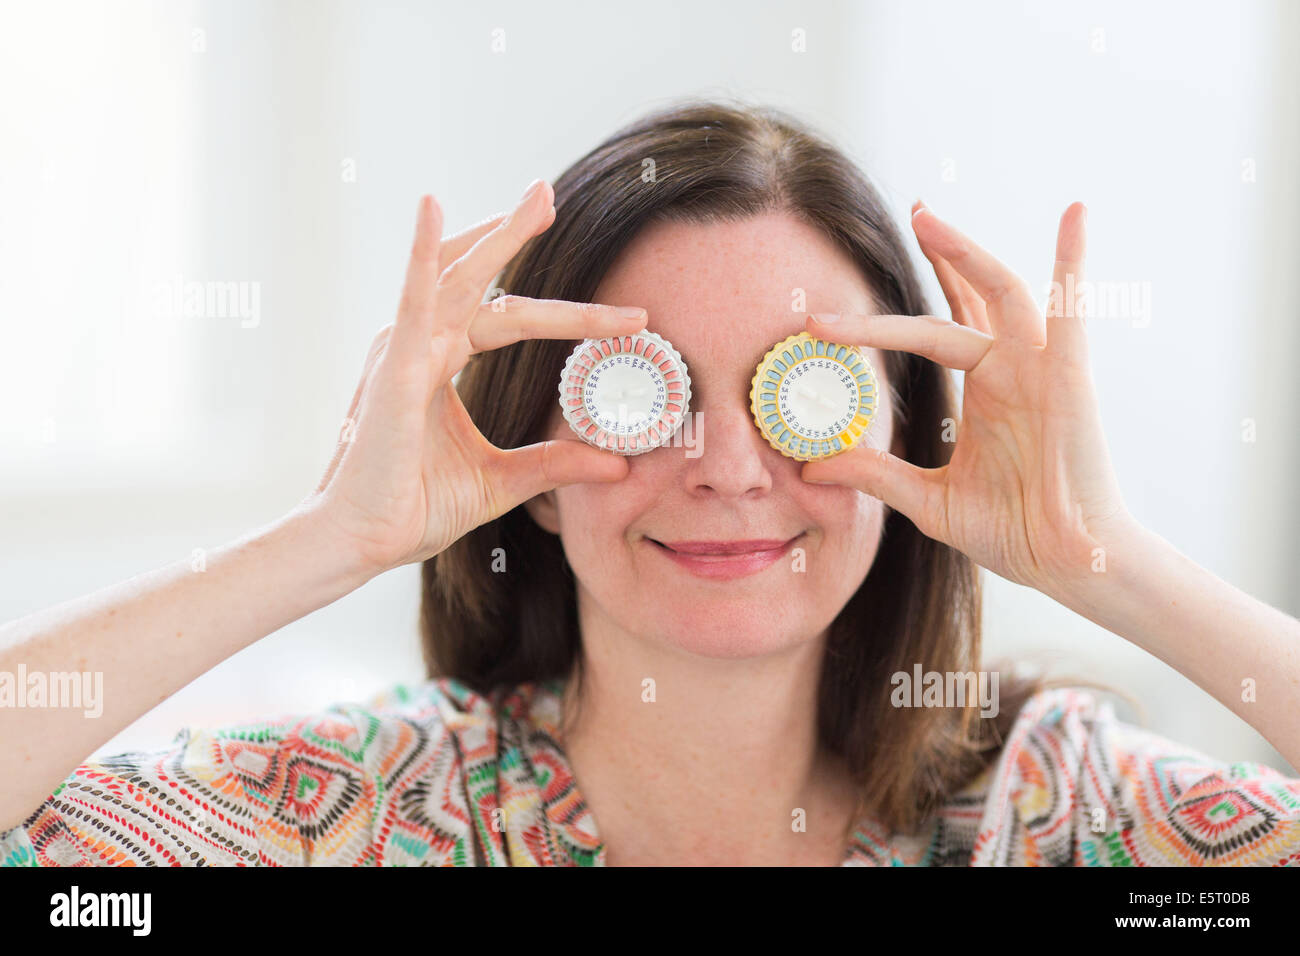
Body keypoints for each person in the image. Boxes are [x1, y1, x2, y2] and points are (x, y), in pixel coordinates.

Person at [2, 99, 1297, 867]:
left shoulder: (1049, 818)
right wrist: (331, 539)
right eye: (641, 390)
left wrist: (1105, 560)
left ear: (905, 439)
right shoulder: (369, 815)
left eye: (806, 392)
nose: (731, 469)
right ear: (536, 469)